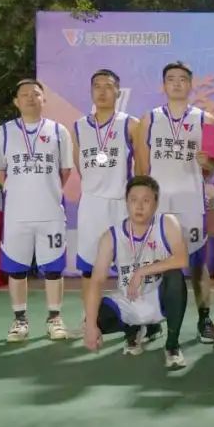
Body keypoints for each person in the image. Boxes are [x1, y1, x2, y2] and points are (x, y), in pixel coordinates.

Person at [0, 79, 74, 342]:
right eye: (24, 94)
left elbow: (65, 170)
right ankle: (20, 320)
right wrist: (18, 188)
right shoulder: (4, 132)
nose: (30, 98)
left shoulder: (59, 131)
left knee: (53, 269)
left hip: (50, 214)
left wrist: (46, 190)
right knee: (16, 269)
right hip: (17, 215)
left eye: (35, 94)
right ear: (16, 101)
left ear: (44, 99)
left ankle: (55, 318)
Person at [135, 60, 214, 344]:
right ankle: (154, 319)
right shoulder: (148, 119)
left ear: (190, 84)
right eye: (171, 79)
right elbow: (142, 168)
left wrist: (208, 163)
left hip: (191, 202)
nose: (177, 83)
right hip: (160, 206)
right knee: (156, 263)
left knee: (197, 264)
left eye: (183, 79)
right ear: (163, 85)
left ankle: (204, 317)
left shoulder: (208, 119)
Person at [82, 176, 190, 368]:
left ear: (156, 203)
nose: (139, 206)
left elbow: (182, 259)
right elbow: (96, 281)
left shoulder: (167, 223)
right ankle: (134, 330)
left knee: (175, 277)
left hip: (159, 299)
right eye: (133, 200)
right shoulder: (111, 236)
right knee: (94, 317)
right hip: (129, 301)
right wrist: (91, 327)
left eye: (146, 200)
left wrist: (142, 271)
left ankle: (172, 345)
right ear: (126, 203)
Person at [72, 70, 136, 277]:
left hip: (121, 202)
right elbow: (80, 166)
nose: (102, 91)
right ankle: (90, 302)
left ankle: (130, 300)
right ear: (91, 92)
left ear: (118, 92)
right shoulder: (79, 127)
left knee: (127, 266)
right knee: (89, 269)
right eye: (97, 86)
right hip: (91, 204)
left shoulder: (131, 124)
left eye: (108, 86)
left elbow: (143, 166)